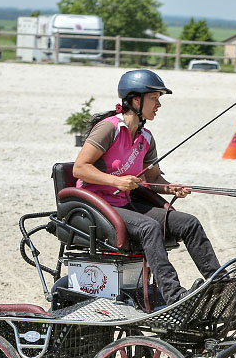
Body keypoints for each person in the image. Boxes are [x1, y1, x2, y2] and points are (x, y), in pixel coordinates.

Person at [73, 69, 222, 306]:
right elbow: (79, 169)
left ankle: (219, 283)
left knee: (189, 222)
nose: (159, 104)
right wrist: (117, 181)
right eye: (155, 98)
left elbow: (154, 178)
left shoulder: (146, 138)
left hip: (125, 205)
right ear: (135, 100)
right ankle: (174, 295)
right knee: (149, 227)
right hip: (97, 206)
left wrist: (171, 188)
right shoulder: (108, 128)